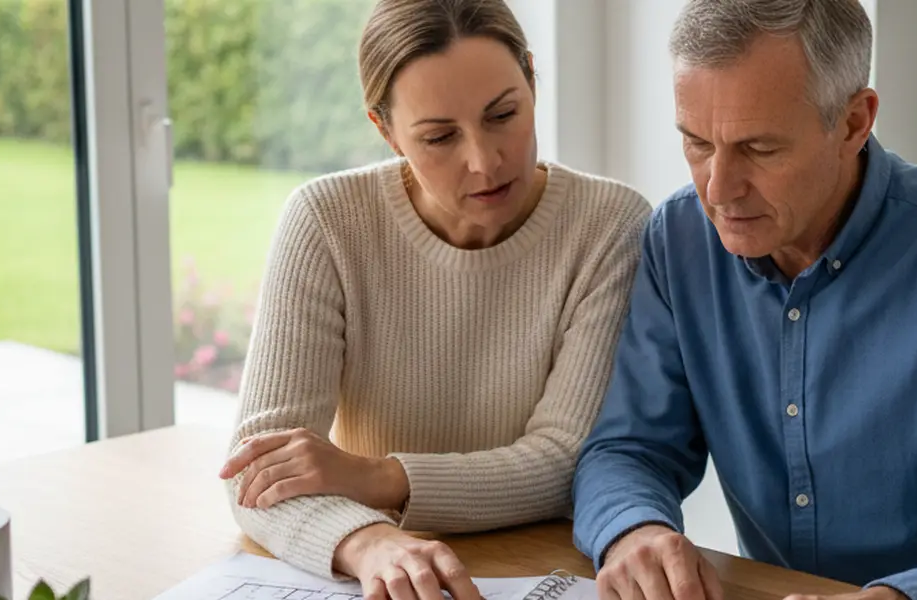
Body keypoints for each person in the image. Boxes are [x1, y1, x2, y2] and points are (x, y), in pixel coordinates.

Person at [571, 1, 917, 600]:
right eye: (697, 143)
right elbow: (630, 448)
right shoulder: (679, 241)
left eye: (759, 148)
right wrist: (633, 531)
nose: (718, 190)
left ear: (855, 122)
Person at [215, 1, 651, 599]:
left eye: (503, 114)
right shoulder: (326, 221)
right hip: (384, 576)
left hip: (543, 570)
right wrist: (367, 541)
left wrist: (373, 477)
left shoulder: (608, 225)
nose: (484, 160)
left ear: (530, 76)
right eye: (440, 136)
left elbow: (564, 464)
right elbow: (255, 474)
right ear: (385, 130)